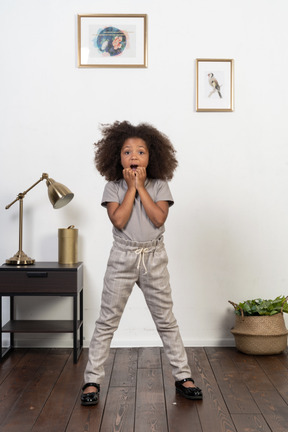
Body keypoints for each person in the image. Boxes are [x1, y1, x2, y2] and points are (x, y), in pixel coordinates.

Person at [81, 121, 203, 405]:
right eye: (127, 151)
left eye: (141, 151)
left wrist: (141, 186)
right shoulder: (112, 188)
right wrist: (131, 189)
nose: (134, 156)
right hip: (122, 257)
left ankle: (183, 375)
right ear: (117, 157)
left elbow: (158, 219)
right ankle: (91, 380)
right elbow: (120, 220)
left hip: (154, 258)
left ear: (152, 157)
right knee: (106, 321)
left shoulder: (160, 185)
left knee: (166, 320)